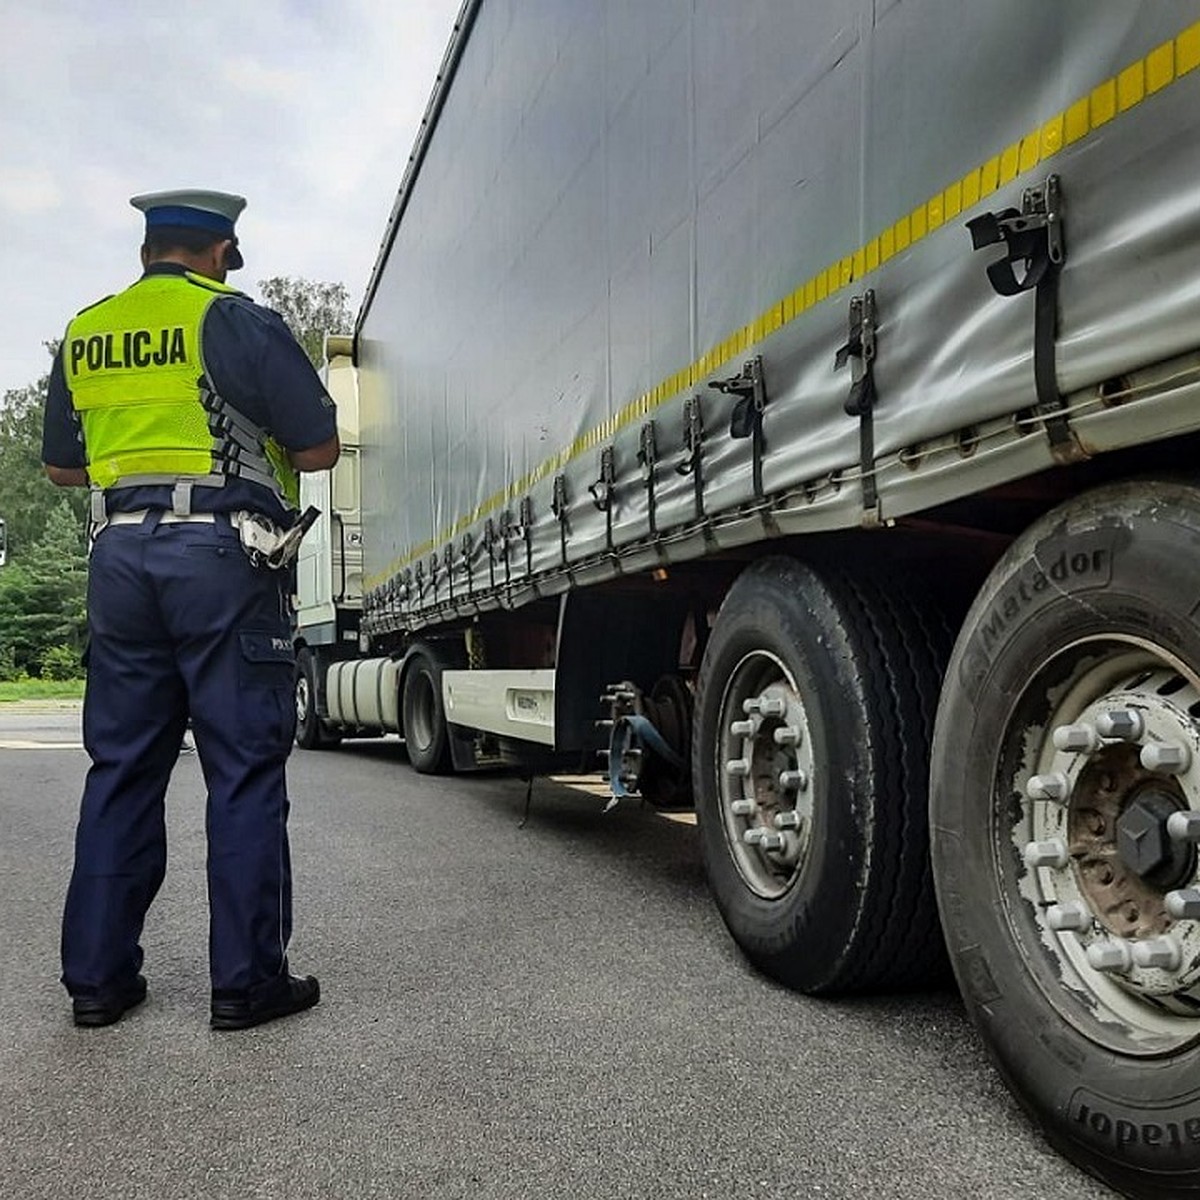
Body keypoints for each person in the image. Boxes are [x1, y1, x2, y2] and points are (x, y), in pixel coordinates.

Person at [41, 189, 340, 1030]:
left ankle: (98, 983)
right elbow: (319, 445)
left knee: (123, 767)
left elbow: (64, 468)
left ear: (146, 251)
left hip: (120, 558)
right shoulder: (234, 321)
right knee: (241, 768)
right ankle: (246, 984)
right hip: (219, 554)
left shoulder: (87, 330)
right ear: (219, 252)